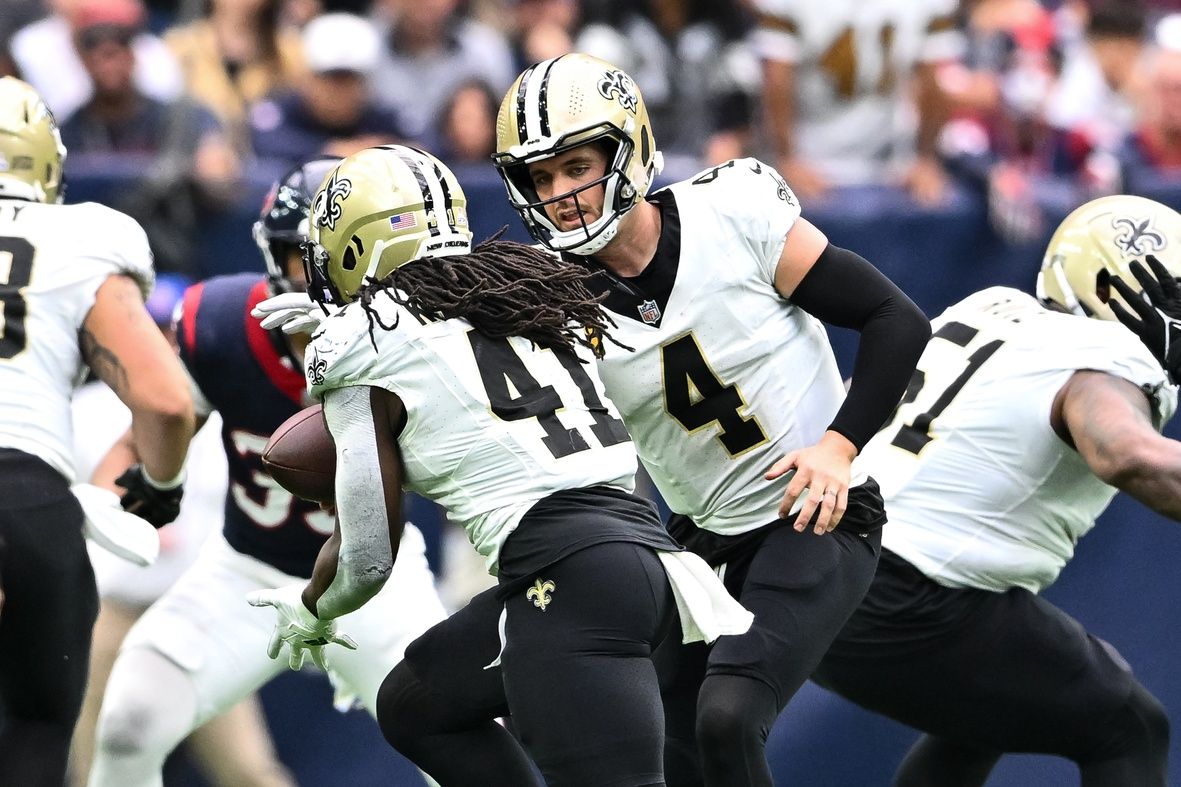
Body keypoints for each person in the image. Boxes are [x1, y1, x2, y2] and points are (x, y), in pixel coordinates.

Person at [248, 143, 752, 787]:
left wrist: (314, 606)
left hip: (568, 581)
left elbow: (368, 554)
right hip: (635, 564)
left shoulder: (355, 348)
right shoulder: (527, 287)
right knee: (414, 707)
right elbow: (442, 338)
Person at [490, 53, 931, 786]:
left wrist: (838, 445)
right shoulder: (552, 304)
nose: (561, 193)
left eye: (574, 166)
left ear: (626, 147)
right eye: (541, 178)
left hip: (814, 512)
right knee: (673, 740)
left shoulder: (733, 213)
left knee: (726, 714)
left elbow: (894, 317)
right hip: (701, 544)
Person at [86, 155, 449, 787]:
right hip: (247, 572)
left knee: (461, 736)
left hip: (378, 575)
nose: (322, 274)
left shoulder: (414, 340)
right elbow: (139, 444)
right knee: (129, 722)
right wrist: (97, 509)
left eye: (344, 253)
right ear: (275, 258)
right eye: (305, 256)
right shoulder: (221, 324)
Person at [808, 194, 1181, 787]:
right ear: (1114, 290)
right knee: (1130, 726)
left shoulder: (992, 308)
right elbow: (1126, 453)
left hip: (812, 569)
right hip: (906, 593)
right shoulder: (1106, 354)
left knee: (986, 716)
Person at [0, 76, 195, 787]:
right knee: (37, 729)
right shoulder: (81, 236)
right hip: (25, 497)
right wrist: (161, 484)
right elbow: (168, 400)